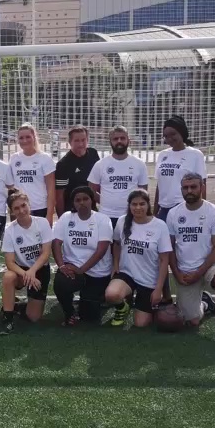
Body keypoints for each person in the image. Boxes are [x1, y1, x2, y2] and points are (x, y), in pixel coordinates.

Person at [88, 125, 150, 318]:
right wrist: (105, 202)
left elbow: (143, 191)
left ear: (128, 140)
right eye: (116, 139)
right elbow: (92, 189)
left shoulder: (138, 164)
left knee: (130, 252)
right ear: (110, 142)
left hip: (131, 217)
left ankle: (131, 290)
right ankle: (109, 292)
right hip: (107, 216)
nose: (119, 142)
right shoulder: (101, 164)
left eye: (122, 138)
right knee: (108, 256)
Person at [166, 172, 215, 341]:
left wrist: (199, 272)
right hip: (185, 270)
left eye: (193, 187)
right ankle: (205, 303)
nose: (189, 190)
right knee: (192, 321)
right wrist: (176, 272)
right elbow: (170, 248)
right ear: (181, 189)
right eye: (185, 187)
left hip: (210, 264)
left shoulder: (214, 212)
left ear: (202, 187)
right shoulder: (173, 214)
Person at [153, 115, 208, 302]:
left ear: (182, 133)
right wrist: (154, 212)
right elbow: (160, 185)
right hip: (164, 211)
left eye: (173, 134)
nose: (169, 138)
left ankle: (200, 294)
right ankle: (166, 297)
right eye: (166, 135)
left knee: (186, 254)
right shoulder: (163, 155)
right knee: (161, 255)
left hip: (185, 210)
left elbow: (202, 185)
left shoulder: (195, 155)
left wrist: (202, 212)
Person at [103, 189, 172, 328]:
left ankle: (147, 305)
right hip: (127, 273)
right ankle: (123, 307)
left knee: (141, 324)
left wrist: (158, 289)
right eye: (134, 204)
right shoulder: (123, 221)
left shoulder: (160, 226)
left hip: (148, 279)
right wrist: (115, 264)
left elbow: (165, 260)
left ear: (148, 205)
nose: (138, 207)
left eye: (142, 204)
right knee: (111, 295)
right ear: (129, 206)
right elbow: (116, 243)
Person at [51, 186, 114, 326]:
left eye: (85, 199)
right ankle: (69, 312)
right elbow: (56, 243)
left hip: (97, 272)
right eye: (77, 200)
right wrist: (62, 266)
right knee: (61, 283)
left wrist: (82, 269)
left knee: (90, 317)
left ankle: (100, 296)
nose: (82, 202)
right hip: (73, 268)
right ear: (73, 203)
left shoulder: (103, 219)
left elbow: (101, 250)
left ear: (92, 200)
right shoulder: (66, 218)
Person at [0, 189, 54, 335]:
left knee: (34, 317)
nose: (21, 210)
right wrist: (26, 273)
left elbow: (46, 253)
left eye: (23, 205)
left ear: (29, 204)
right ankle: (8, 319)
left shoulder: (42, 223)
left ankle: (15, 306)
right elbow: (9, 262)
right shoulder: (10, 230)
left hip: (39, 268)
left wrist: (33, 270)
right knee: (9, 277)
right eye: (16, 208)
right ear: (12, 211)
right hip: (21, 270)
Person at [2, 123, 57, 221]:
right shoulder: (14, 158)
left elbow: (51, 191)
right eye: (21, 138)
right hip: (20, 209)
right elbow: (10, 185)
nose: (25, 140)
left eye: (28, 137)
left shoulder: (45, 158)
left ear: (34, 137)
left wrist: (49, 215)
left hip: (40, 208)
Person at [55, 124, 101, 215]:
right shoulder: (63, 164)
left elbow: (99, 182)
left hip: (91, 210)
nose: (80, 144)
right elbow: (59, 196)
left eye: (83, 140)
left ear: (87, 140)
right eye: (76, 141)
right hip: (72, 211)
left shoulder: (93, 154)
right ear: (70, 142)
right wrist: (62, 218)